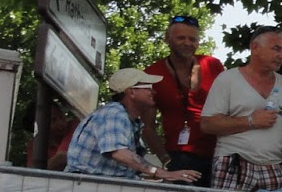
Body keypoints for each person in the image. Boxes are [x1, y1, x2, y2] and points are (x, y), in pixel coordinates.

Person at [200, 27, 282, 192]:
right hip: (234, 163)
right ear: (254, 47)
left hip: (275, 168)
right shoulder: (228, 79)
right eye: (276, 48)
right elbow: (207, 124)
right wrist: (250, 121)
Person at [65, 69, 201, 184]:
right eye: (148, 87)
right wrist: (161, 173)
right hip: (90, 189)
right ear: (131, 92)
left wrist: (154, 176)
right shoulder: (114, 113)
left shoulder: (127, 118)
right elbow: (119, 153)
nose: (154, 92)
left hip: (96, 187)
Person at [143, 13, 224, 183]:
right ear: (167, 38)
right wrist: (166, 160)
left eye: (192, 39)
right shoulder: (152, 74)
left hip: (218, 153)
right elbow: (147, 128)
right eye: (181, 38)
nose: (187, 43)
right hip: (179, 155)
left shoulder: (212, 65)